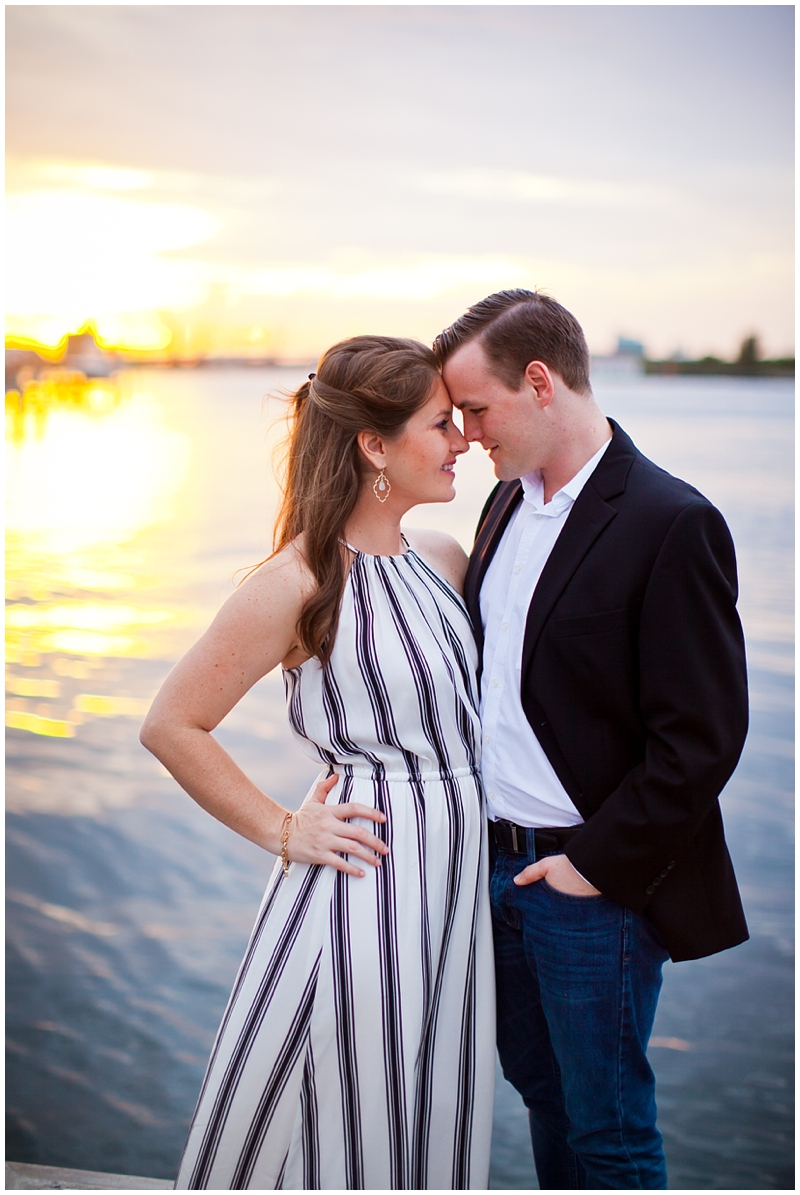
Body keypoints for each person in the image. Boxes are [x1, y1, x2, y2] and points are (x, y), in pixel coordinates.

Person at [140, 335, 495, 1191]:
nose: (460, 442)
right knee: (342, 1111)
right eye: (440, 424)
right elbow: (173, 722)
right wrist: (284, 827)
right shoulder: (300, 579)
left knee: (421, 1103)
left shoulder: (442, 560)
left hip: (450, 887)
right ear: (375, 445)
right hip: (363, 880)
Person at [434, 290, 749, 1191]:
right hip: (496, 874)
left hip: (590, 887)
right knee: (542, 1094)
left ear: (539, 383)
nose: (467, 433)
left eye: (476, 409)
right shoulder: (501, 507)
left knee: (608, 1129)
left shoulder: (669, 520)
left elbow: (703, 735)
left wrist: (593, 866)